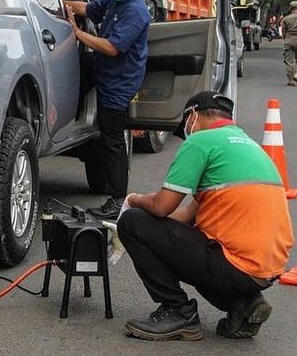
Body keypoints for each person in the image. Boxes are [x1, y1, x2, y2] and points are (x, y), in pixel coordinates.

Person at [117, 91, 293, 341]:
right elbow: (188, 216)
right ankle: (244, 304)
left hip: (234, 265)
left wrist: (132, 200)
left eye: (186, 125)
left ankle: (177, 311)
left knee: (133, 221)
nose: (186, 133)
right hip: (264, 270)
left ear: (193, 115)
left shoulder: (201, 142)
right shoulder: (249, 145)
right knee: (198, 242)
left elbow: (161, 207)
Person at [64, 0, 150, 219]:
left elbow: (112, 48)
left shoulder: (135, 12)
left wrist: (79, 35)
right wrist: (60, 4)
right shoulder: (115, 1)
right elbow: (88, 9)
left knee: (112, 140)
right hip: (104, 72)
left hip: (119, 83)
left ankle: (117, 199)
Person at [281, 2, 297, 86]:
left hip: (289, 40)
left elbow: (283, 31)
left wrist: (285, 38)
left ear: (290, 8)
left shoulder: (286, 19)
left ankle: (291, 80)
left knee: (289, 61)